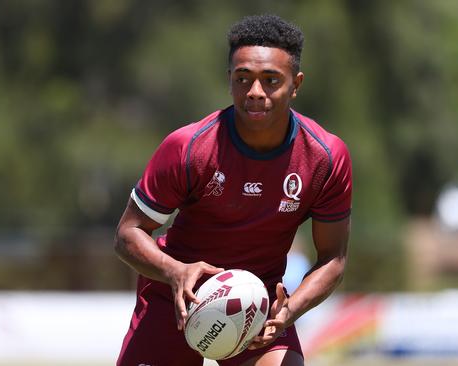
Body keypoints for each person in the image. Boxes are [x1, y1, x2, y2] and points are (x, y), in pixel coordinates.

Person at [115, 14, 351, 366]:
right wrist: (175, 272)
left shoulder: (325, 157)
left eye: (271, 80)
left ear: (296, 83)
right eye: (244, 78)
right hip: (175, 298)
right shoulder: (189, 147)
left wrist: (289, 310)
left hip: (259, 304)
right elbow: (127, 234)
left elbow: (332, 258)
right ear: (230, 81)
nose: (255, 92)